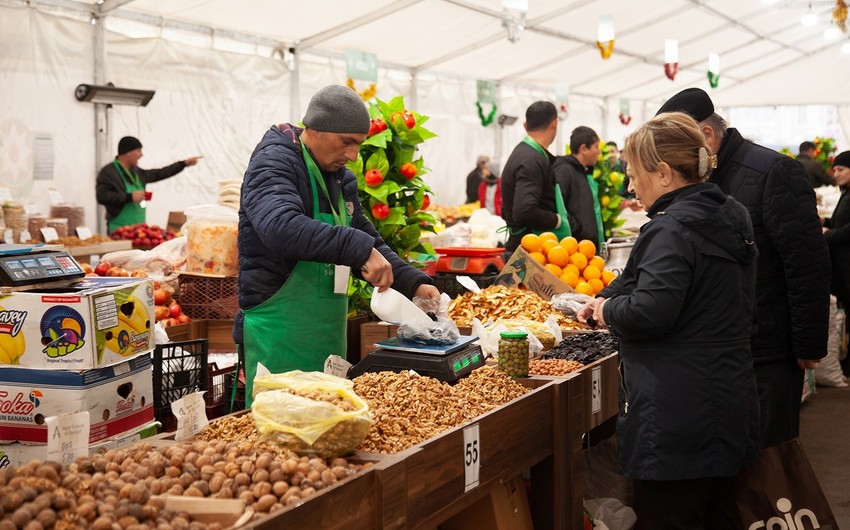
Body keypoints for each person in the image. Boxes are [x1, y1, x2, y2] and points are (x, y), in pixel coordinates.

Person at [578, 112, 760, 529]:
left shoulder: (671, 228)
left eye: (632, 172)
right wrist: (608, 294)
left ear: (662, 173)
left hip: (678, 414)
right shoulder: (731, 214)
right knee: (718, 514)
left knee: (671, 517)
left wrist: (606, 311)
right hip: (728, 398)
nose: (629, 184)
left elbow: (649, 312)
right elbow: (646, 279)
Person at [235, 85, 439, 402]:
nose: (353, 155)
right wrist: (356, 248)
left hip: (326, 333)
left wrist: (411, 282)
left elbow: (363, 233)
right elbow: (280, 226)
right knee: (279, 435)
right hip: (279, 333)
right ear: (316, 128)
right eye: (347, 142)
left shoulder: (339, 176)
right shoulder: (274, 162)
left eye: (358, 144)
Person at [657, 87, 830, 448]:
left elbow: (806, 261)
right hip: (718, 346)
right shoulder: (698, 177)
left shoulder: (773, 171)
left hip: (767, 347)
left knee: (766, 458)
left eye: (678, 146)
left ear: (706, 135)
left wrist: (808, 342)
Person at [500, 101, 569, 253]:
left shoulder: (524, 153)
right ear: (554, 124)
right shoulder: (531, 159)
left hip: (527, 246)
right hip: (531, 252)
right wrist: (557, 220)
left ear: (525, 126)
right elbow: (524, 211)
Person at [95, 136, 200, 233]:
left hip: (139, 230)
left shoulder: (137, 172)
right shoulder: (108, 172)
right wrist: (129, 197)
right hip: (118, 230)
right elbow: (101, 196)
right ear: (128, 152)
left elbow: (159, 173)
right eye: (138, 150)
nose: (141, 154)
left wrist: (183, 164)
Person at [552, 126, 604, 248]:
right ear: (584, 148)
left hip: (585, 246)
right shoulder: (563, 171)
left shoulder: (583, 172)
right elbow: (557, 208)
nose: (599, 152)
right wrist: (580, 230)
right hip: (573, 247)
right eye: (596, 147)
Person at [822, 151, 850, 307]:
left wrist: (828, 234)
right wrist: (825, 221)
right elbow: (841, 221)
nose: (836, 174)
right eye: (834, 170)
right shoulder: (846, 192)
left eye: (841, 169)